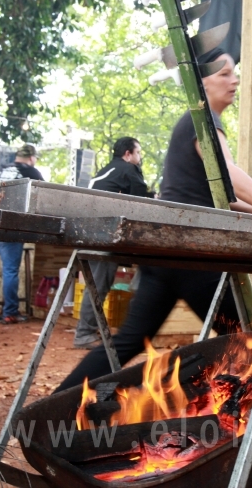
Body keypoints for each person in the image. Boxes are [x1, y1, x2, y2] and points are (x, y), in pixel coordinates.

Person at [56, 49, 252, 392]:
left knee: (128, 343)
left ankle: (50, 409)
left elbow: (222, 196)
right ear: (202, 83)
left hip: (166, 252)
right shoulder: (203, 120)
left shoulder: (196, 121)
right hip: (191, 255)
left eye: (234, 73)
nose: (234, 80)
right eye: (224, 74)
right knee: (246, 338)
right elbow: (227, 171)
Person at [73, 136, 151, 349]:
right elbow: (142, 203)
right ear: (128, 154)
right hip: (104, 234)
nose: (139, 157)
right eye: (138, 153)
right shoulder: (129, 170)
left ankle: (89, 331)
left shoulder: (107, 170)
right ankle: (84, 335)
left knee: (97, 283)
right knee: (99, 285)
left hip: (86, 230)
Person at [0, 145, 44, 325]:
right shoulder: (32, 172)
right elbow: (42, 197)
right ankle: (10, 313)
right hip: (9, 226)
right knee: (10, 270)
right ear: (31, 158)